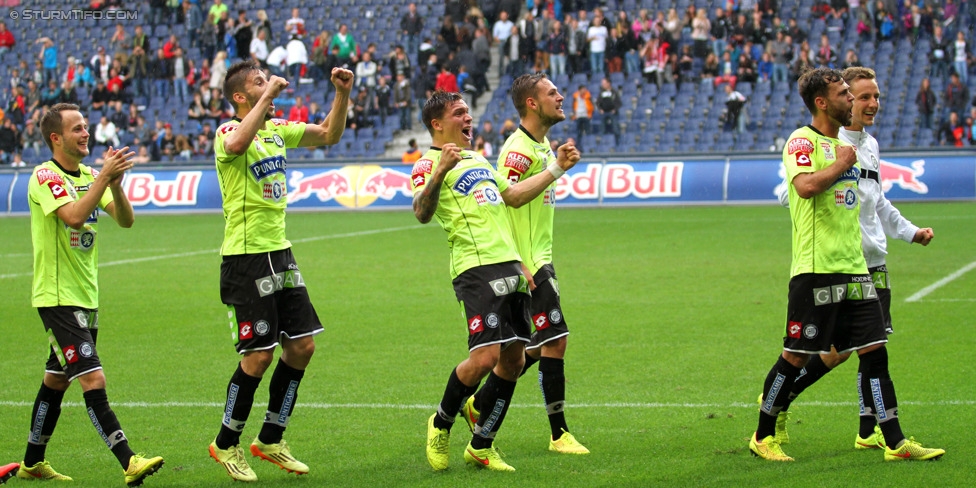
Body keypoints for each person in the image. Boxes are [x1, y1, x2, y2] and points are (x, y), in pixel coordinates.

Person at [750, 67, 945, 463]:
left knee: (875, 350)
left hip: (857, 266)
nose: (854, 102)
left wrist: (903, 232)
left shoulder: (855, 145)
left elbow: (869, 202)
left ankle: (893, 441)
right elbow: (802, 188)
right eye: (846, 94)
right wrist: (840, 164)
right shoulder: (802, 141)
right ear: (823, 102)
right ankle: (763, 434)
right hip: (816, 267)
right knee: (796, 355)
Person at [413, 90, 580, 473]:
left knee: (513, 358)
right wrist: (440, 170)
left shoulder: (478, 159)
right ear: (438, 124)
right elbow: (422, 212)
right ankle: (440, 422)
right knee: (484, 357)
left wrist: (557, 169)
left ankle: (482, 444)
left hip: (511, 266)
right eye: (459, 113)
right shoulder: (425, 164)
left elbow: (515, 197)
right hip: (474, 268)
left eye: (468, 111)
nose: (468, 118)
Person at [208, 60, 353, 482]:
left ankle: (270, 438)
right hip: (245, 258)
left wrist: (341, 93)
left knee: (302, 347)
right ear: (241, 97)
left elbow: (328, 134)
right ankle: (225, 442)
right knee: (257, 357)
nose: (266, 84)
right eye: (257, 82)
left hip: (281, 253)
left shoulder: (276, 130)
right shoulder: (226, 133)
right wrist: (269, 94)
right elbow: (236, 146)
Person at [19, 103, 164, 484]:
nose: (86, 133)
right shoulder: (44, 176)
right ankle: (129, 460)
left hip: (86, 296)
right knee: (92, 379)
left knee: (56, 379)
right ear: (56, 138)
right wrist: (103, 178)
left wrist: (114, 182)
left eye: (86, 127)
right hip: (57, 296)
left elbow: (126, 220)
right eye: (77, 128)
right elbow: (72, 216)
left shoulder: (87, 175)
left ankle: (32, 462)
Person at [462, 73, 590, 455]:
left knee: (530, 347)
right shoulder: (518, 152)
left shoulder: (542, 144)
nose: (561, 96)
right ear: (532, 103)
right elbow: (505, 202)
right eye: (552, 93)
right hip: (529, 263)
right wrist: (520, 263)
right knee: (555, 341)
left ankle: (480, 403)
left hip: (539, 257)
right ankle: (558, 433)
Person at [596, 78, 621, 145]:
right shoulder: (601, 92)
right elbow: (598, 102)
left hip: (612, 112)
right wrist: (600, 109)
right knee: (602, 129)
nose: (602, 85)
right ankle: (602, 143)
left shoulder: (614, 92)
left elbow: (618, 103)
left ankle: (618, 143)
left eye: (604, 83)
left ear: (608, 83)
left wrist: (615, 109)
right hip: (604, 112)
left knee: (615, 128)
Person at [570, 84, 592, 152]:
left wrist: (590, 114)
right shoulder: (575, 96)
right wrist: (574, 114)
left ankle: (589, 144)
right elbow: (573, 106)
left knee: (588, 131)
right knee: (578, 132)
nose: (584, 90)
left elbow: (591, 105)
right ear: (580, 90)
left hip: (586, 115)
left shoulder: (588, 95)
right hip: (578, 115)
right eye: (583, 89)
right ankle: (579, 145)